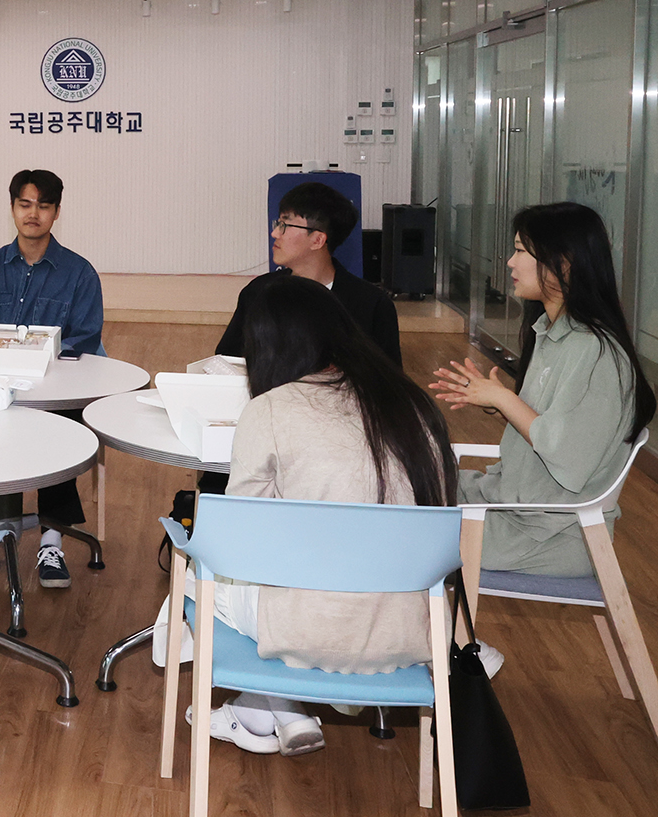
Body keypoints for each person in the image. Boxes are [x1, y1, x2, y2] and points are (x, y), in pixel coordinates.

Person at [156, 274, 458, 756]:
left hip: (309, 629)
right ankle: (264, 712)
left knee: (195, 577)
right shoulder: (412, 405)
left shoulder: (271, 410)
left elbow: (238, 542)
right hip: (409, 627)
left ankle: (272, 707)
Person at [432, 202, 656, 577]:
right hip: (512, 507)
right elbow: (552, 423)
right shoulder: (553, 333)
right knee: (403, 479)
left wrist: (503, 398)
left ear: (563, 263)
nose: (510, 262)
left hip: (546, 534)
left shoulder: (598, 353)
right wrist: (499, 401)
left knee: (402, 521)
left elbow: (569, 458)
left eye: (521, 251)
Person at [0, 169, 104, 587]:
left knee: (58, 431)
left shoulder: (79, 273)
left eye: (43, 205)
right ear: (12, 208)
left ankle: (51, 541)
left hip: (52, 389)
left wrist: (37, 361)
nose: (33, 214)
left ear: (56, 212)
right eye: (25, 204)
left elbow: (85, 337)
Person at [216, 181, 400, 366]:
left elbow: (387, 376)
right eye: (277, 223)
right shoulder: (259, 291)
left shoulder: (371, 304)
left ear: (317, 240)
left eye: (285, 225)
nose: (275, 233)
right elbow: (228, 361)